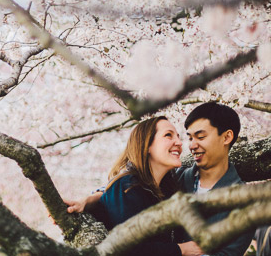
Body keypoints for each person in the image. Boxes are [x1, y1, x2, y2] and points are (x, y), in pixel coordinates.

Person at [68, 102, 253, 256]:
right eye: (189, 137)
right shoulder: (176, 179)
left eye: (201, 136)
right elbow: (125, 190)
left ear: (227, 137)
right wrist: (92, 198)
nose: (190, 145)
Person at [77, 116, 203, 256]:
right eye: (168, 135)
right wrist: (181, 249)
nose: (179, 143)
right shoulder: (126, 186)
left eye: (178, 137)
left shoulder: (166, 189)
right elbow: (129, 248)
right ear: (147, 144)